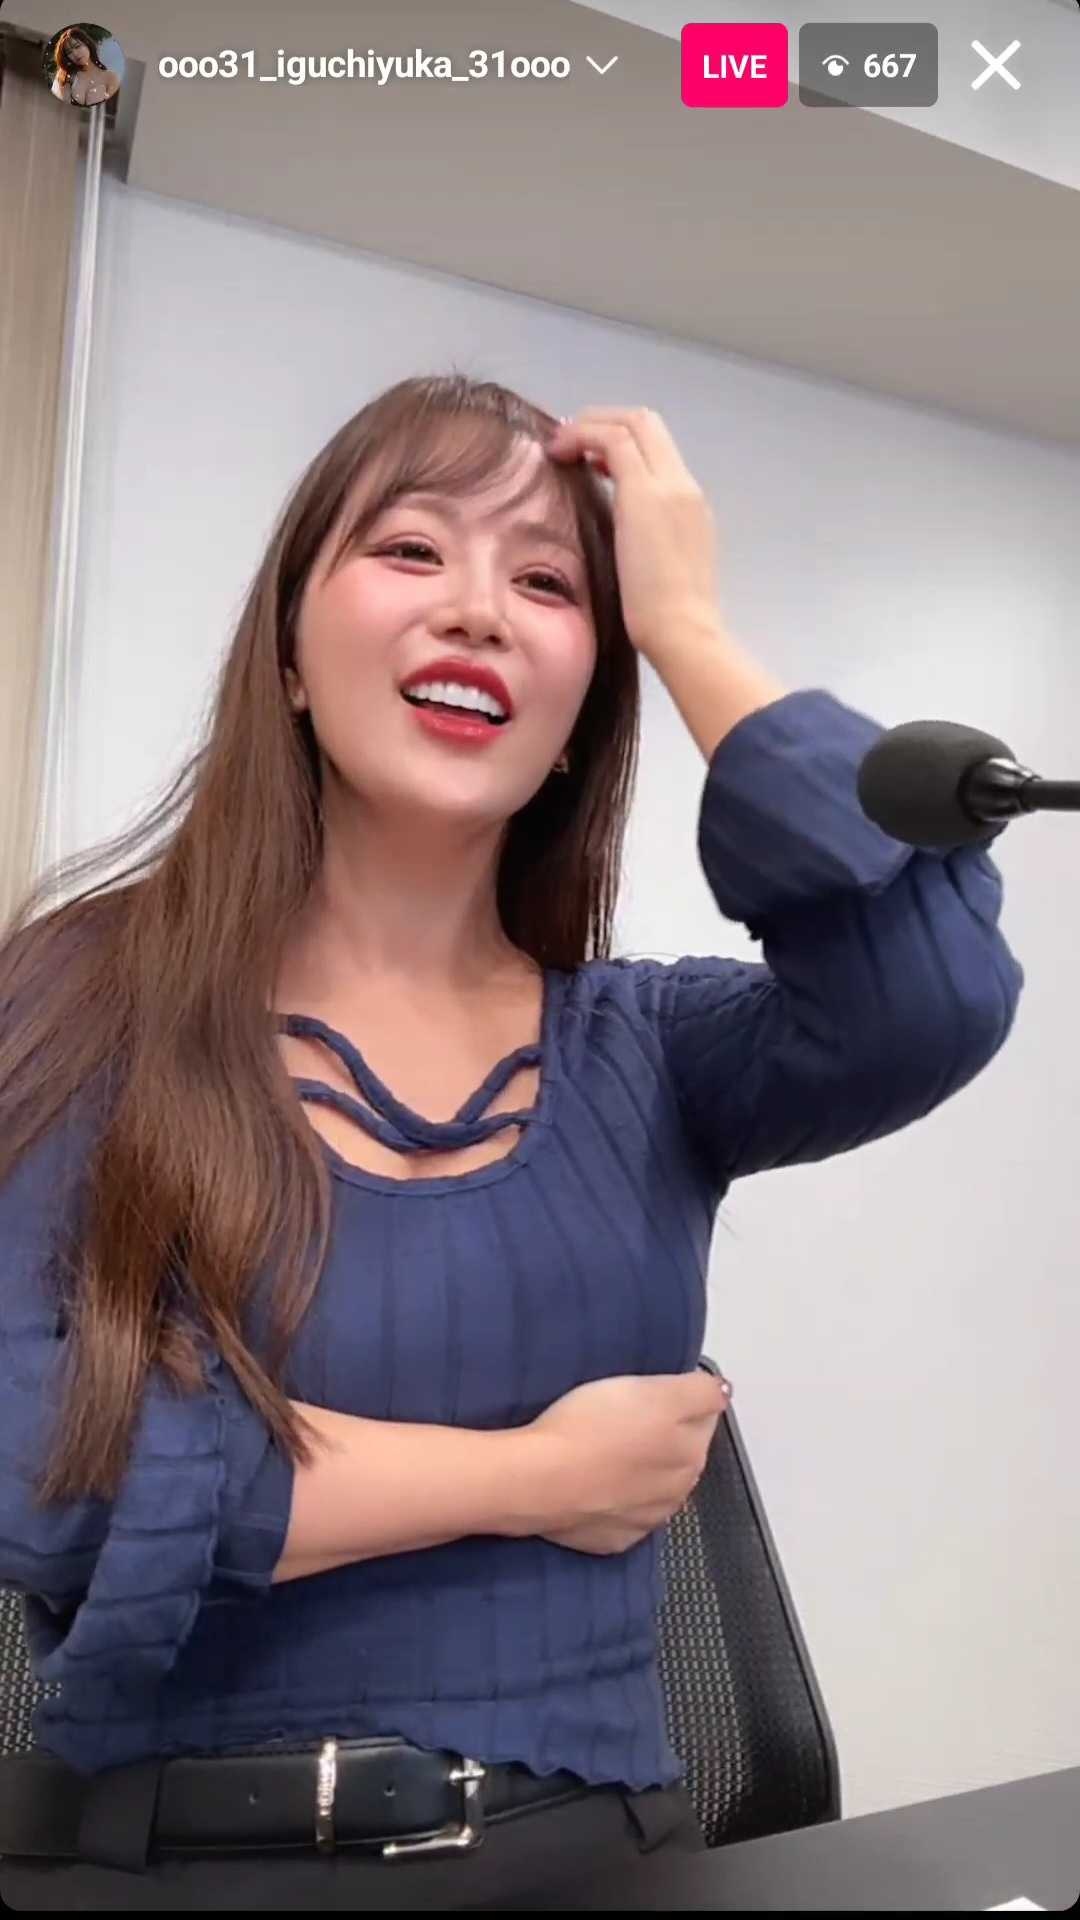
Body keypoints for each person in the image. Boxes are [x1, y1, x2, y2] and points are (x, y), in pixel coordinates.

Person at [0, 377, 1023, 1909]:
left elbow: (930, 994)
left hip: (588, 1858)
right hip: (165, 1861)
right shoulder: (82, 995)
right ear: (287, 656)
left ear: (573, 726)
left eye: (547, 584)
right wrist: (531, 1476)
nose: (478, 610)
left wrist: (687, 630)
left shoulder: (651, 1050)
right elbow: (36, 1463)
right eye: (411, 550)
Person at [50, 27, 120, 108]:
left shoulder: (111, 77)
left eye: (77, 46)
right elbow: (56, 105)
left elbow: (112, 109)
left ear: (87, 44)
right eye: (69, 52)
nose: (75, 53)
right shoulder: (64, 77)